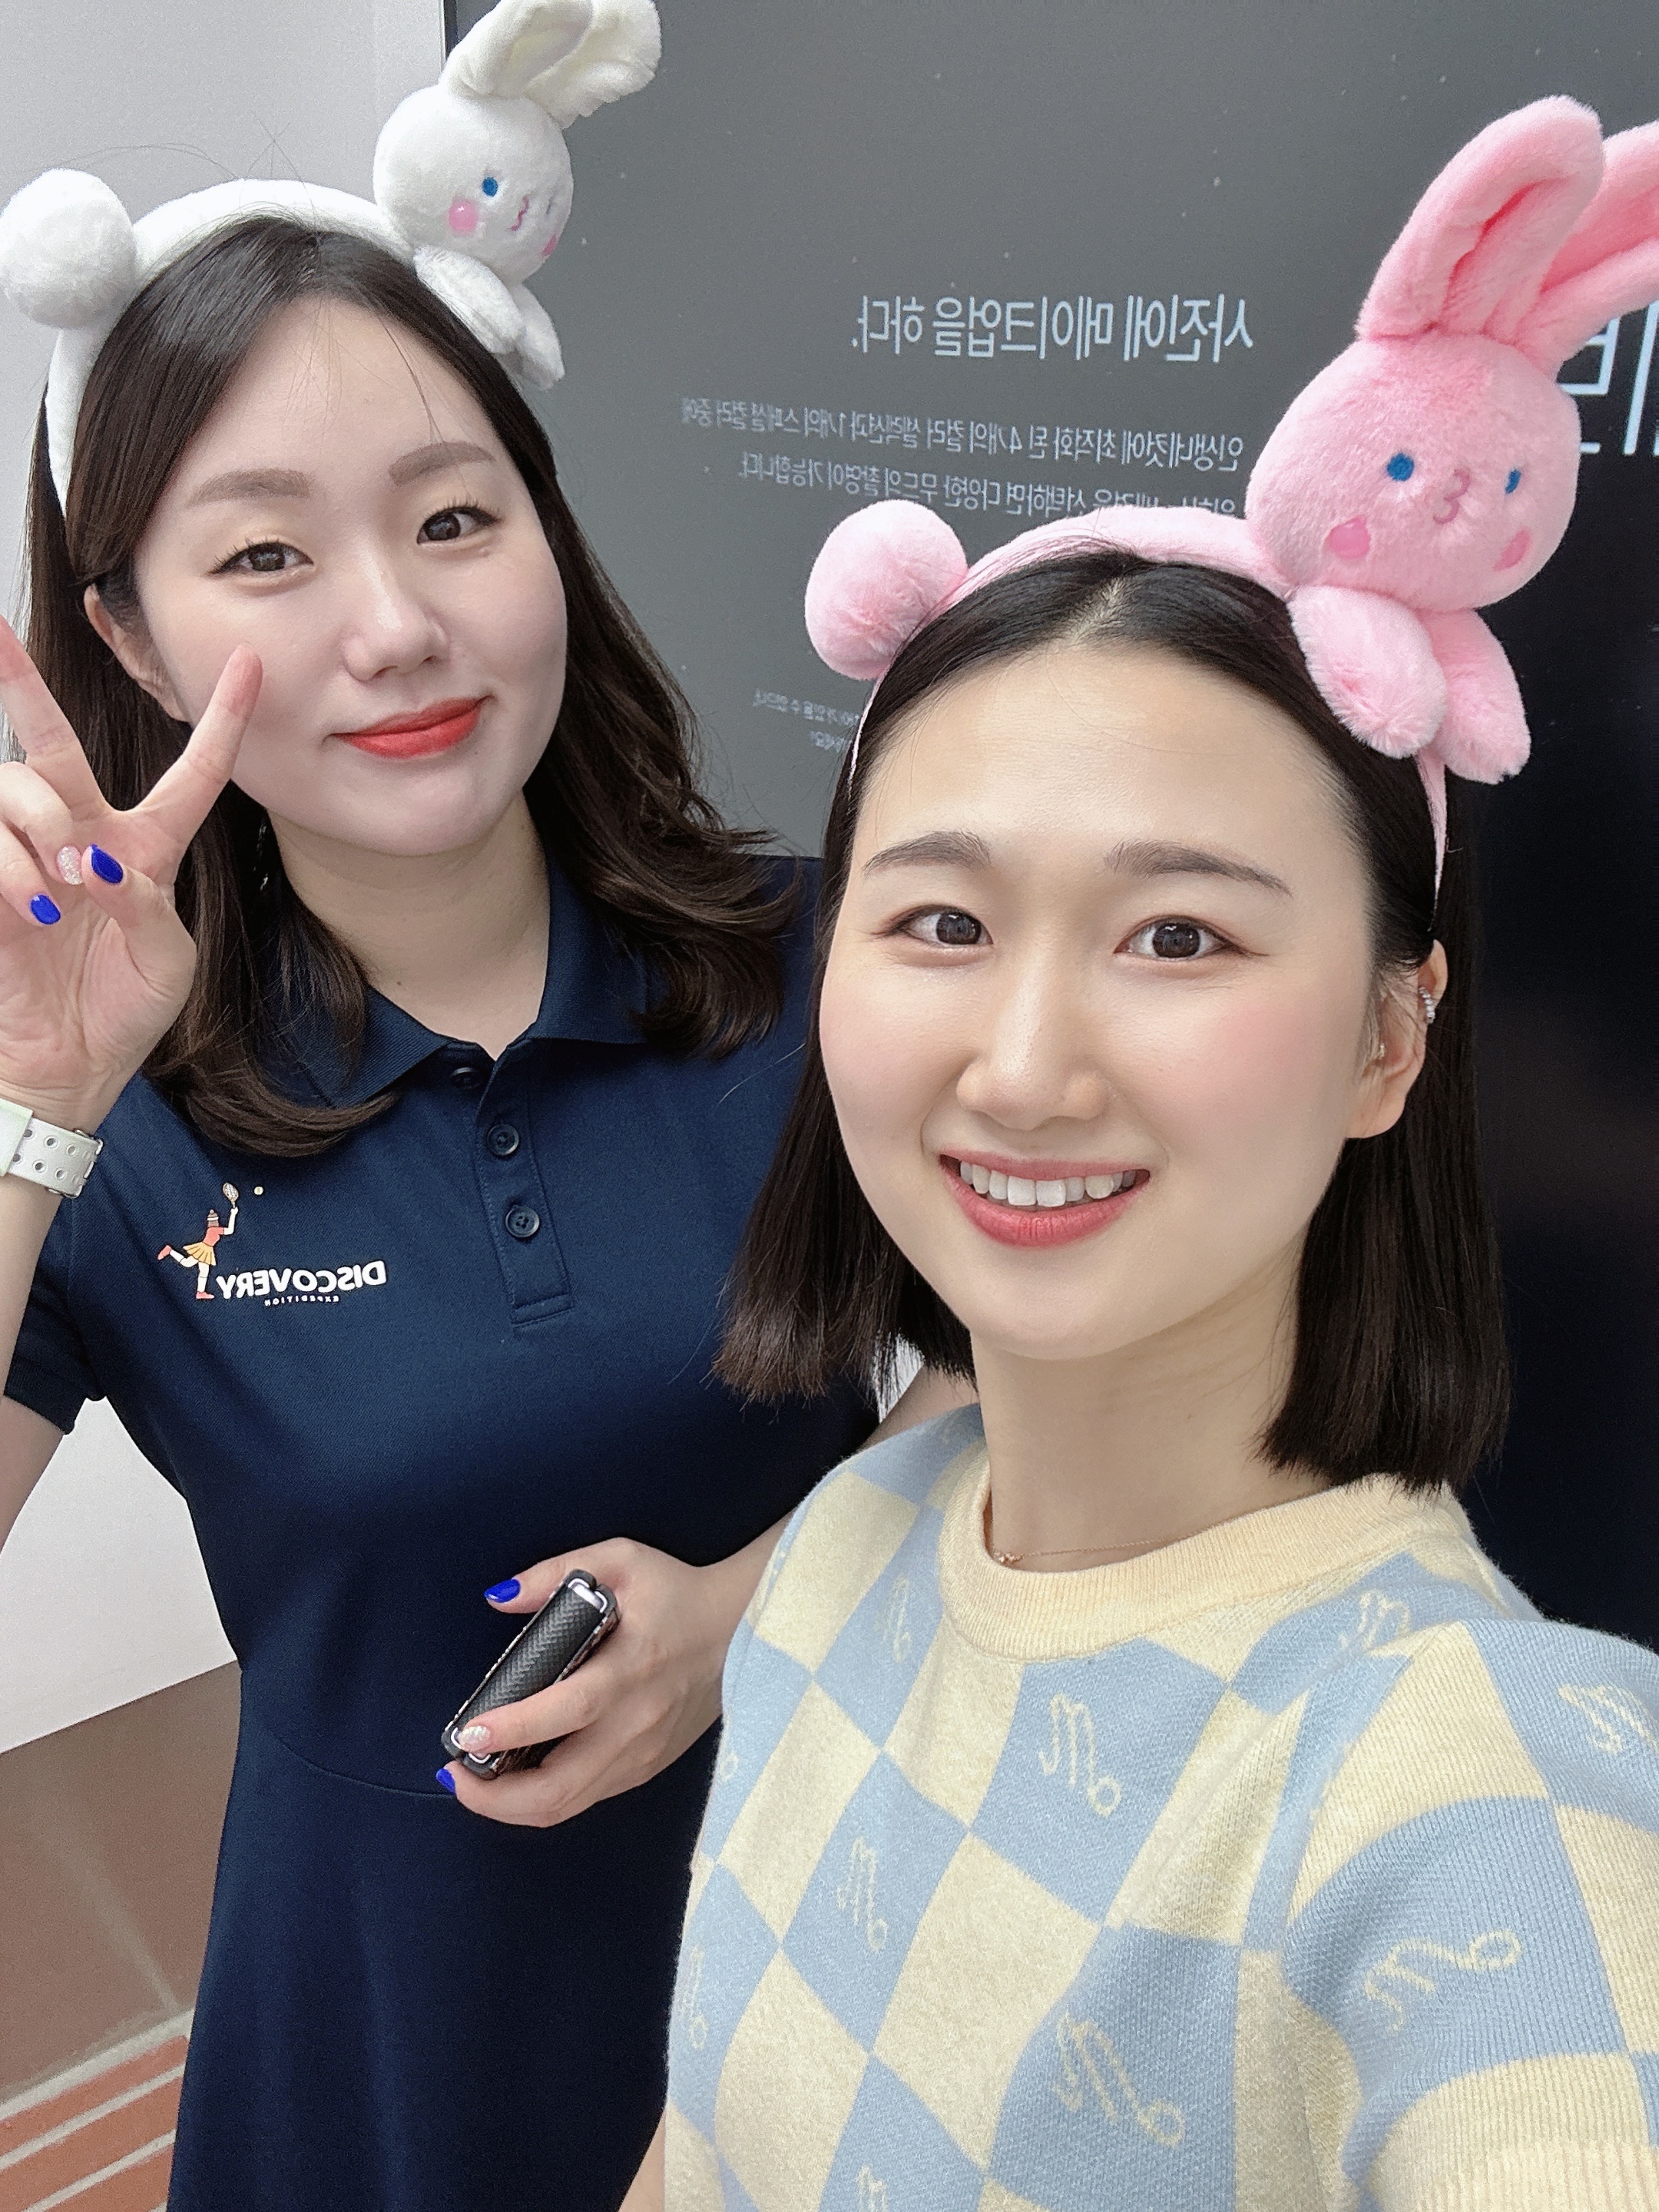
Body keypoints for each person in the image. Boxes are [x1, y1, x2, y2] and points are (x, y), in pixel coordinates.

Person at [628, 101, 1659, 2212]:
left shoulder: (1479, 1787)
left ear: (1392, 1036)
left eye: (1178, 937)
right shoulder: (841, 1549)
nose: (1023, 1067)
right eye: (940, 921)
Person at [0, 203, 960, 2212]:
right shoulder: (111, 1112)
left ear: (548, 534)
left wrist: (761, 1609)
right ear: (129, 638)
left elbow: (1024, 1376)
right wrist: (38, 1112)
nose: (394, 628)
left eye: (453, 519)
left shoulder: (817, 959)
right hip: (384, 2033)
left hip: (843, 1934)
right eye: (266, 556)